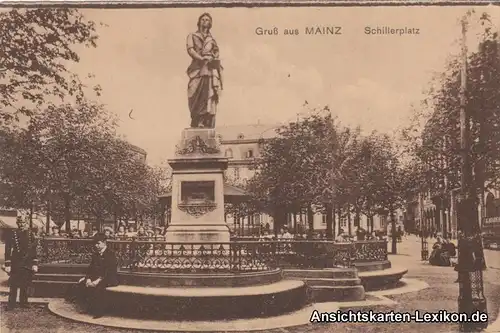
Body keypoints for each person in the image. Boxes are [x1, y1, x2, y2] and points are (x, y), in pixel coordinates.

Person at [66, 233, 119, 318]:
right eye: (95, 243)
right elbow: (90, 269)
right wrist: (88, 279)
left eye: (98, 243)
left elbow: (109, 271)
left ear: (104, 242)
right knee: (82, 284)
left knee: (99, 288)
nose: (96, 245)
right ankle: (86, 307)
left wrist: (97, 281)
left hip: (109, 278)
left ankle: (99, 312)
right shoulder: (96, 254)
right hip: (96, 277)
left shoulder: (111, 254)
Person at [186, 13, 223, 128]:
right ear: (199, 22)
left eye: (207, 20)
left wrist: (213, 57)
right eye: (203, 19)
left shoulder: (212, 39)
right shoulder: (192, 35)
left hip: (209, 69)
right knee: (193, 93)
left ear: (210, 23)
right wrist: (200, 58)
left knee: (206, 94)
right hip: (197, 69)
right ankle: (195, 119)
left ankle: (203, 121)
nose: (205, 21)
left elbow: (216, 51)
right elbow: (190, 50)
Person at [2, 217, 38, 310]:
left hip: (27, 262)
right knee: (13, 284)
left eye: (23, 223)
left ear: (26, 223)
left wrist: (34, 263)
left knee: (25, 284)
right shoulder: (12, 234)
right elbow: (7, 249)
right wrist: (8, 264)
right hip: (16, 262)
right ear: (17, 223)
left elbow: (34, 250)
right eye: (20, 223)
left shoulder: (30, 234)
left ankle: (24, 303)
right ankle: (11, 304)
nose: (22, 224)